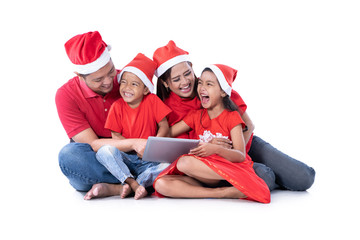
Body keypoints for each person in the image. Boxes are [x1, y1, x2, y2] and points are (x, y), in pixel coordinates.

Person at [153, 40, 315, 192]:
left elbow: (248, 125)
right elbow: (169, 144)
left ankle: (261, 178)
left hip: (243, 145)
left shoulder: (213, 84)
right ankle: (257, 179)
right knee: (265, 177)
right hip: (213, 163)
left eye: (187, 73)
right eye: (176, 79)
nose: (185, 82)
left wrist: (236, 154)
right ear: (166, 83)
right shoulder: (164, 107)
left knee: (304, 178)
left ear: (192, 67)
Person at [154, 64, 270, 203]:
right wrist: (159, 120)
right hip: (203, 174)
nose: (202, 88)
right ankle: (222, 193)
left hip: (227, 168)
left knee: (184, 162)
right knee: (161, 184)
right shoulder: (195, 116)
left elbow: (240, 156)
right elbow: (167, 134)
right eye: (201, 83)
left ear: (222, 92)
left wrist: (215, 149)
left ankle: (237, 181)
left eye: (209, 84)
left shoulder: (232, 117)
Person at [56, 31, 133, 199]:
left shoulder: (128, 82)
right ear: (80, 76)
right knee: (69, 156)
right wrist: (135, 143)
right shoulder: (66, 95)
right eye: (98, 79)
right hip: (97, 154)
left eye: (111, 71)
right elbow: (92, 143)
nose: (108, 81)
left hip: (129, 154)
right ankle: (142, 181)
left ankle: (116, 186)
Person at [91, 53, 171, 200]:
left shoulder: (152, 101)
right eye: (124, 82)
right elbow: (115, 136)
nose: (127, 88)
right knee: (105, 151)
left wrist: (153, 146)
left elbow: (164, 125)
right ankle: (132, 182)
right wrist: (133, 147)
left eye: (134, 84)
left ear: (146, 89)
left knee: (168, 165)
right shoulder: (117, 106)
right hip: (127, 156)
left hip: (149, 159)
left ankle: (137, 182)